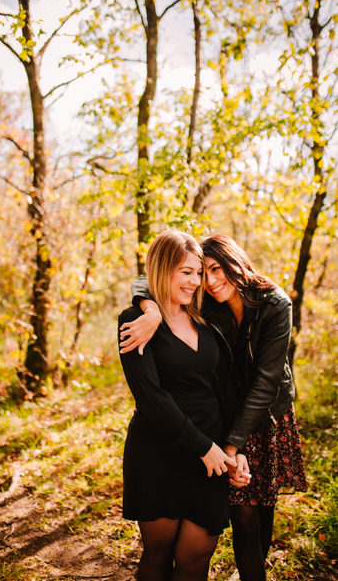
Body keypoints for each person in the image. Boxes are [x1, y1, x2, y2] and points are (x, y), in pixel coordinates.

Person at [120, 234, 307, 581]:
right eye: (198, 273)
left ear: (236, 262)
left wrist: (232, 447)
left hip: (252, 420)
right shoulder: (180, 309)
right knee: (168, 548)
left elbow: (256, 384)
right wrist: (150, 309)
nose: (205, 280)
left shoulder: (267, 306)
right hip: (191, 432)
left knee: (245, 523)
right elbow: (154, 278)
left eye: (211, 270)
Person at [118, 230, 250, 581]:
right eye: (186, 272)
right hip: (157, 452)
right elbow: (150, 397)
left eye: (198, 272)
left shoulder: (209, 326)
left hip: (210, 460)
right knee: (158, 554)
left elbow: (227, 395)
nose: (196, 281)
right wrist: (203, 447)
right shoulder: (135, 321)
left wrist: (234, 450)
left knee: (196, 557)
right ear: (162, 270)